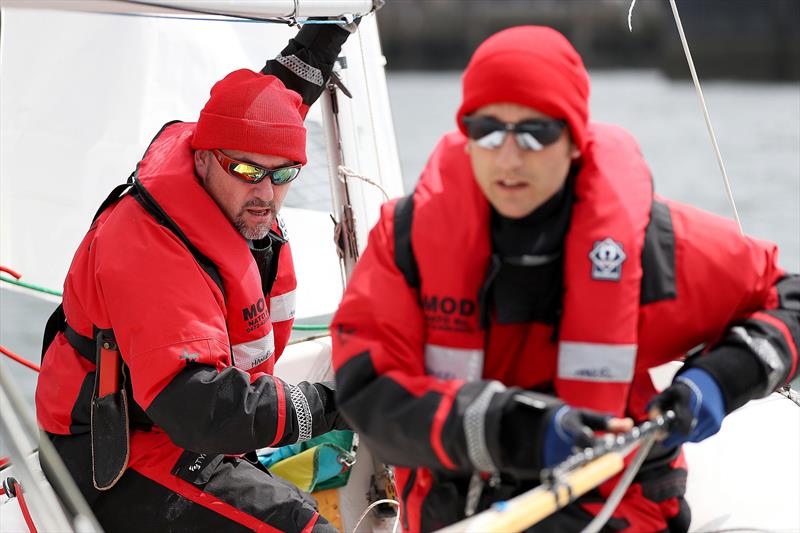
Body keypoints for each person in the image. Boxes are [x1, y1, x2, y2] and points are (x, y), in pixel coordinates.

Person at [330, 25, 800, 533]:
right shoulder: (408, 244)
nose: (509, 157)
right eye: (488, 130)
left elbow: (789, 300)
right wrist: (519, 428)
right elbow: (369, 391)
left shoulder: (647, 247)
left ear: (575, 141)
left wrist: (717, 380)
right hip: (461, 512)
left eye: (536, 132)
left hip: (613, 504)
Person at [35, 22, 354, 532]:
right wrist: (340, 406)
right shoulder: (148, 246)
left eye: (284, 174)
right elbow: (199, 406)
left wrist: (323, 35)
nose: (266, 193)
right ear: (203, 158)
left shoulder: (233, 171)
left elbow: (271, 108)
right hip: (114, 457)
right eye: (249, 172)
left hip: (187, 431)